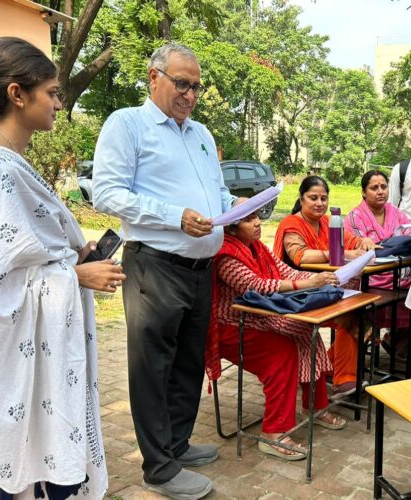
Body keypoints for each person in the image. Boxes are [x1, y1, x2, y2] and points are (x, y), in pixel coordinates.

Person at [0, 37, 126, 499]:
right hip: (23, 360)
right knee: (30, 470)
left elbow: (26, 254)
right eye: (53, 93)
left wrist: (73, 256)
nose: (61, 103)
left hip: (47, 350)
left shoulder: (13, 162)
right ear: (18, 95)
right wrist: (76, 275)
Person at [93, 43, 234, 499]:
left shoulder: (200, 133)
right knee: (153, 367)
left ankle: (176, 444)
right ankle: (159, 468)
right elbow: (107, 194)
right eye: (182, 83)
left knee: (188, 363)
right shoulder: (128, 124)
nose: (190, 94)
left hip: (200, 267)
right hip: (155, 264)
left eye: (196, 86)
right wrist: (175, 215)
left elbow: (218, 192)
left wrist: (238, 211)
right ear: (154, 78)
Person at [205, 204, 346, 460]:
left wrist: (322, 279)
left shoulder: (257, 247)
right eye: (249, 219)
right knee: (282, 353)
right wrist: (309, 282)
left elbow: (284, 271)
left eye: (257, 216)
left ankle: (315, 406)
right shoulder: (226, 255)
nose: (257, 223)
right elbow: (255, 286)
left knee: (306, 331)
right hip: (233, 326)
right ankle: (273, 434)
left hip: (260, 318)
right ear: (232, 227)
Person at [274, 175, 377, 396]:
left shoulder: (329, 221)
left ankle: (333, 367)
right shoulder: (291, 224)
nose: (320, 203)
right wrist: (339, 253)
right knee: (350, 315)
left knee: (363, 313)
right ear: (301, 199)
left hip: (327, 289)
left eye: (324, 198)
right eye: (313, 198)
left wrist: (364, 242)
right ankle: (344, 379)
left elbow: (352, 240)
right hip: (299, 293)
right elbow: (300, 256)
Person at [344, 170, 411, 357]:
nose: (380, 191)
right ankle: (358, 356)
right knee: (371, 305)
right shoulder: (355, 217)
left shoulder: (397, 213)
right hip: (371, 282)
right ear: (364, 192)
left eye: (383, 187)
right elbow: (360, 251)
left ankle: (395, 345)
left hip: (402, 278)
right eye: (374, 188)